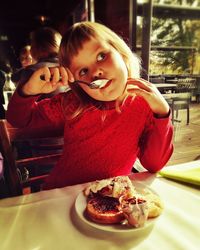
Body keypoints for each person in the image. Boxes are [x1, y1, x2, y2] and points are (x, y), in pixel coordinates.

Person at [6, 21, 174, 190]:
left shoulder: (144, 105)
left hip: (111, 196)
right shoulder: (72, 104)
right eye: (83, 71)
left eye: (101, 56)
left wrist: (162, 113)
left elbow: (154, 164)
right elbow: (18, 120)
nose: (95, 73)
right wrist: (27, 91)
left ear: (121, 53)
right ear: (78, 83)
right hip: (62, 194)